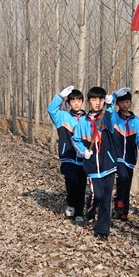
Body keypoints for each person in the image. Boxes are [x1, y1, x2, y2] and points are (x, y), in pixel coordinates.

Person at [72, 87, 117, 241]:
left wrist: (110, 106)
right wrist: (83, 151)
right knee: (97, 194)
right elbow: (76, 140)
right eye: (94, 99)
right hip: (92, 166)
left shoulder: (105, 118)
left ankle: (103, 230)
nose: (97, 103)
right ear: (89, 101)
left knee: (107, 198)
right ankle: (90, 210)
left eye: (101, 99)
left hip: (108, 164)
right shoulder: (83, 122)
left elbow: (111, 118)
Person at [47, 85, 87, 222]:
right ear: (69, 103)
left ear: (83, 102)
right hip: (68, 156)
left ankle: (79, 211)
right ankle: (71, 203)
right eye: (73, 101)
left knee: (82, 184)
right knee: (71, 179)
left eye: (79, 100)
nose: (76, 103)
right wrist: (59, 96)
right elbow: (51, 110)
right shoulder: (62, 117)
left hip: (84, 157)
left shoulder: (87, 119)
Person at [112, 88, 139, 221]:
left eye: (127, 102)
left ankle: (123, 212)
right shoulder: (114, 117)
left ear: (130, 103)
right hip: (117, 156)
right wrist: (114, 96)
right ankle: (118, 200)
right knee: (123, 176)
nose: (124, 105)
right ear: (118, 104)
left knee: (127, 184)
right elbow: (106, 109)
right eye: (121, 102)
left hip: (131, 157)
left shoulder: (136, 120)